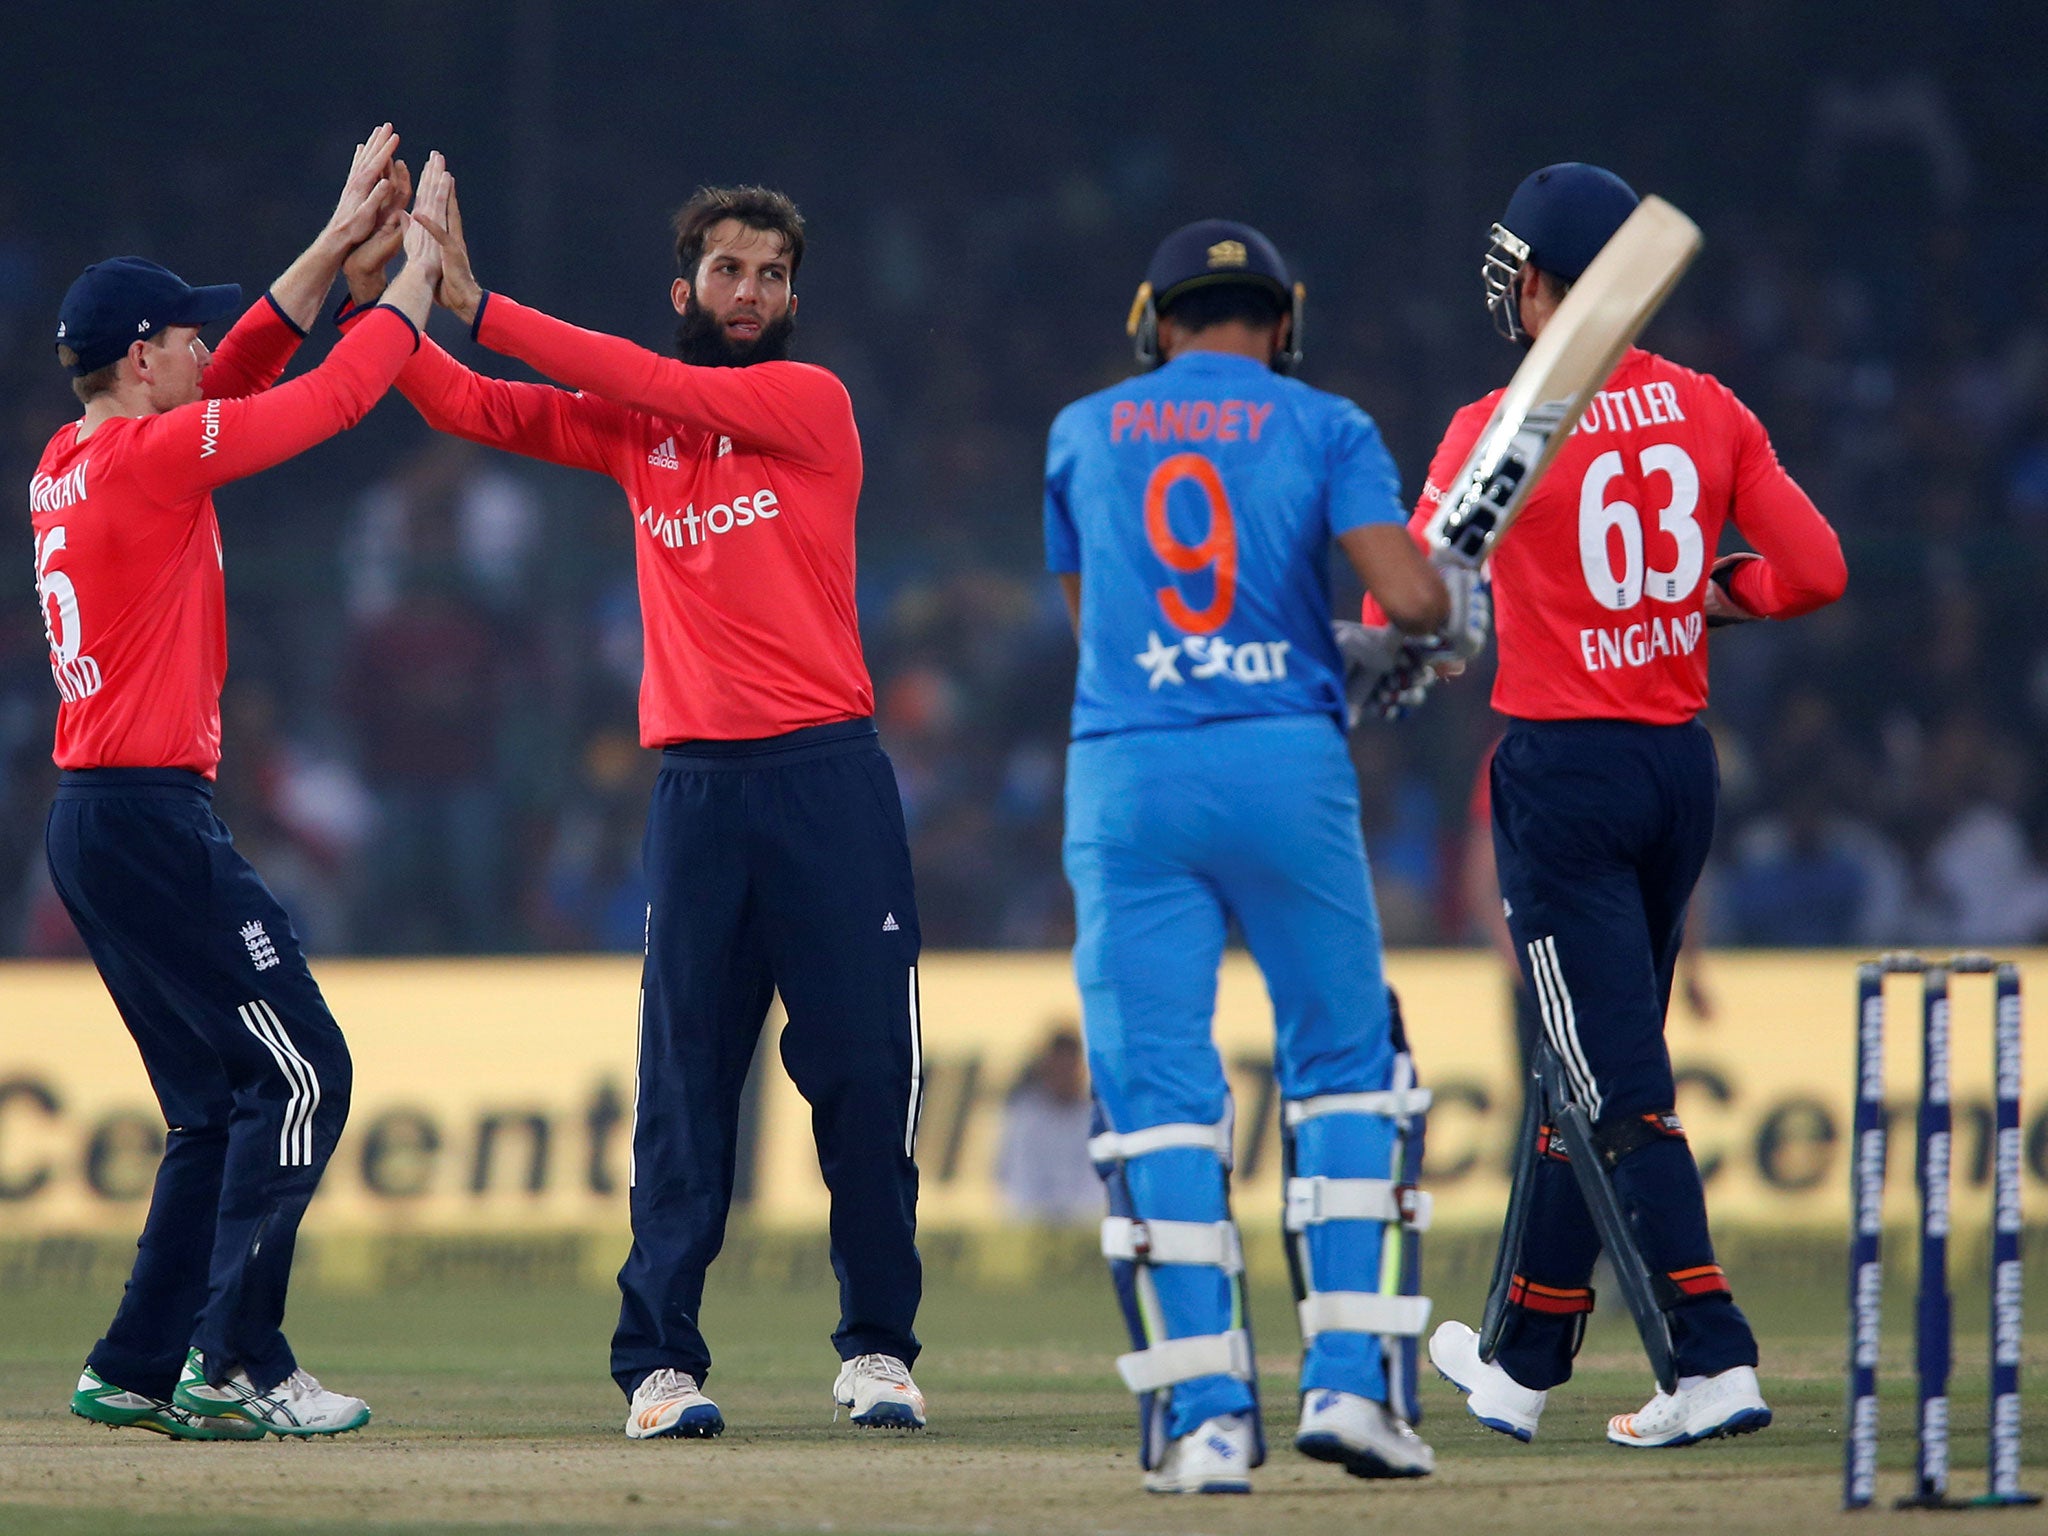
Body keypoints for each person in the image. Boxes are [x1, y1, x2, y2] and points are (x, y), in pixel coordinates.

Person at [338, 161, 927, 1439]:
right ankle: (660, 1366)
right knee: (684, 1085)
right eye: (727, 269)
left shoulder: (809, 404)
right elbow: (467, 408)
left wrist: (480, 299)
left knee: (867, 1077)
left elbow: (636, 376)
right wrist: (378, 298)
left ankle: (878, 1352)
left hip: (829, 779)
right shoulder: (635, 434)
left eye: (773, 274)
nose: (752, 291)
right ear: (685, 284)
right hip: (701, 792)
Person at [1386, 163, 1846, 1448]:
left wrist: (1403, 639)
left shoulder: (1495, 423)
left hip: (1562, 778)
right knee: (1579, 1069)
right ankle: (1524, 1362)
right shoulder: (1706, 408)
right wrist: (1700, 597)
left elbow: (1406, 608)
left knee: (1613, 1084)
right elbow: (1812, 571)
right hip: (1674, 773)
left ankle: (1711, 1356)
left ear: (1539, 286)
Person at [1044, 219, 1482, 1494]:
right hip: (1284, 769)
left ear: (1152, 321)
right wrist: (1436, 618)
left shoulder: (1079, 431)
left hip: (1127, 775)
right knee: (1346, 1070)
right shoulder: (1326, 423)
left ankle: (1205, 1423)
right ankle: (1351, 1391)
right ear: (1282, 322)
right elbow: (1409, 606)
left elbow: (1101, 632)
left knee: (1157, 1097)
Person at [35, 124, 442, 1439]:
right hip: (151, 818)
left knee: (214, 1108)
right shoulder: (154, 460)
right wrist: (411, 282)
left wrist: (333, 240)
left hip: (93, 820)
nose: (215, 350)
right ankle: (238, 1363)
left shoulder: (69, 459)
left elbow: (253, 357)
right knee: (307, 1072)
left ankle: (138, 1366)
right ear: (145, 357)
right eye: (187, 340)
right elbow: (321, 401)